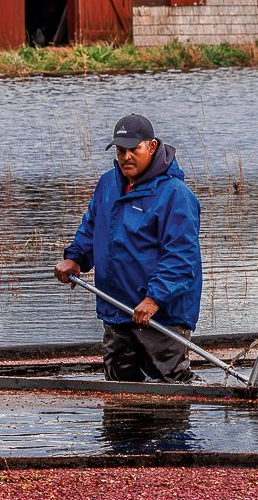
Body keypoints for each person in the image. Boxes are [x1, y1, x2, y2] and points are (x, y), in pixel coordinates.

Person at [54, 114, 203, 382]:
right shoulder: (108, 184)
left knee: (170, 392)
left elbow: (181, 258)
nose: (126, 157)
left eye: (134, 149)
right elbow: (92, 226)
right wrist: (76, 257)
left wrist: (154, 299)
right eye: (121, 151)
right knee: (119, 392)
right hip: (116, 309)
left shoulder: (176, 195)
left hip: (161, 316)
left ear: (152, 146)